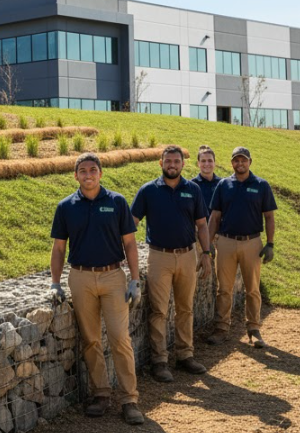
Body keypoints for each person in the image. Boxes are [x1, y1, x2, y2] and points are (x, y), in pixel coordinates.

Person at [48, 152, 144, 425]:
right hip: (80, 278)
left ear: (100, 173)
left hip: (113, 276)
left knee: (119, 338)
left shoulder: (116, 202)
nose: (88, 175)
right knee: (90, 339)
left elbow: (130, 244)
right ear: (75, 175)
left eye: (93, 170)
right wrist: (55, 283)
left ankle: (130, 400)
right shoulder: (66, 206)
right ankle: (101, 394)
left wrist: (134, 280)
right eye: (83, 171)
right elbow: (58, 248)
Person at [131, 145, 213, 383]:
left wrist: (206, 253)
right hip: (159, 257)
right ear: (161, 163)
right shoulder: (148, 191)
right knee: (159, 311)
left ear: (183, 164)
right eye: (168, 161)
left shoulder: (193, 190)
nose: (172, 165)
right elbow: (131, 223)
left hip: (188, 255)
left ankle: (185, 355)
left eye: (176, 161)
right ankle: (160, 361)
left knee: (185, 308)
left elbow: (202, 225)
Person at [206, 147, 277, 348]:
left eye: (243, 160)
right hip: (225, 242)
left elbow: (269, 217)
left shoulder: (261, 185)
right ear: (232, 163)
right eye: (236, 160)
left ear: (250, 162)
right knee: (223, 289)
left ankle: (254, 329)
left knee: (252, 289)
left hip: (252, 243)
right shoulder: (223, 185)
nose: (240, 164)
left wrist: (270, 243)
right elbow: (214, 217)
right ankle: (221, 328)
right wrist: (208, 244)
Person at [192, 145, 222, 219]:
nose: (207, 164)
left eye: (210, 160)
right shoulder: (191, 185)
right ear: (198, 163)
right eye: (203, 161)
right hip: (198, 229)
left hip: (219, 229)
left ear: (214, 163)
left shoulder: (222, 184)